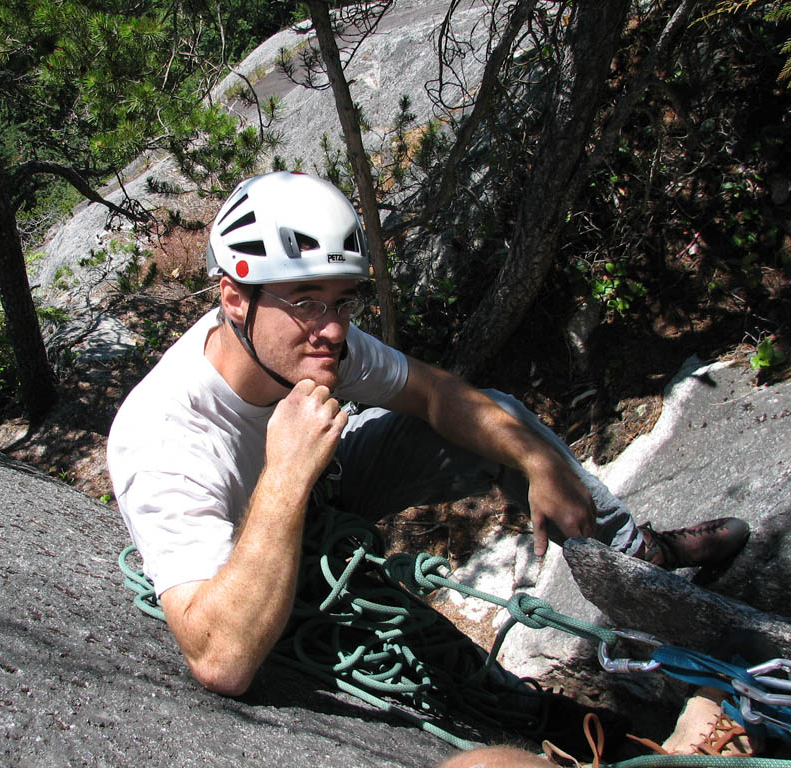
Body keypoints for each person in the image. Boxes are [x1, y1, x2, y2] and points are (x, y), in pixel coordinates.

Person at [106, 171, 749, 697]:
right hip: (257, 545)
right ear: (234, 298)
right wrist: (285, 475)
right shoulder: (164, 434)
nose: (331, 330)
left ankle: (640, 559)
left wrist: (537, 460)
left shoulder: (315, 344)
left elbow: (440, 395)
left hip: (316, 487)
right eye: (305, 300)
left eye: (342, 301)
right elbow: (221, 659)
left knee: (493, 416)